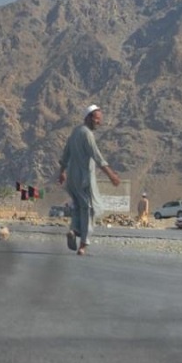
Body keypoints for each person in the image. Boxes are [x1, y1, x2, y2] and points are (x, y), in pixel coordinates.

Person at [58, 104, 121, 255]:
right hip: (84, 178)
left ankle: (74, 230)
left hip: (72, 178)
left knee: (78, 208)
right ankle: (83, 245)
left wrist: (62, 172)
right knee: (89, 209)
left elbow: (65, 153)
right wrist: (111, 175)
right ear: (88, 118)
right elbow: (97, 156)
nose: (99, 122)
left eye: (100, 119)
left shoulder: (75, 132)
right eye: (97, 119)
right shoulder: (87, 134)